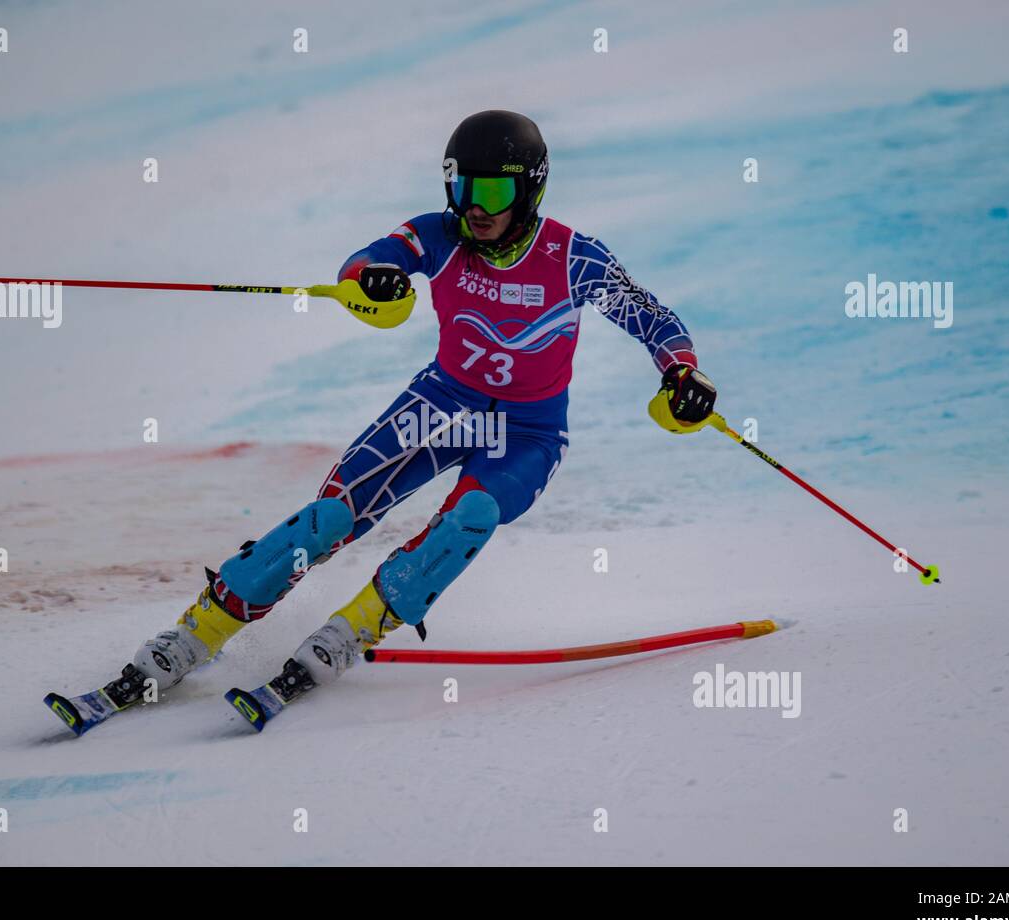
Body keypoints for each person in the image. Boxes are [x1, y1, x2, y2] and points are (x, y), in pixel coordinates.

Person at [126, 110, 718, 708]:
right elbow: (366, 261)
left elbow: (652, 317)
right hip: (442, 402)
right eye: (461, 187)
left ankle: (353, 629)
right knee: (331, 517)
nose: (474, 207)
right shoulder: (438, 234)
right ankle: (197, 633)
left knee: (471, 516)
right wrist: (373, 277)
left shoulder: (573, 256)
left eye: (491, 191)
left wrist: (682, 369)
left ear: (531, 188)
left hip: (527, 431)